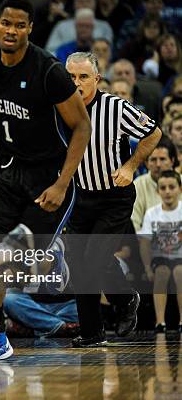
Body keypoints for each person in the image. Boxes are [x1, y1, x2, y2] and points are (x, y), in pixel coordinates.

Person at [0, 0, 91, 364]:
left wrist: (61, 184)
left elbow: (82, 127)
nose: (12, 30)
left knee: (17, 261)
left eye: (20, 25)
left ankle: (109, 293)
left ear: (30, 29)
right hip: (7, 170)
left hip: (47, 177)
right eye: (6, 23)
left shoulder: (48, 70)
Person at [65, 52, 162, 346]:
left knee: (94, 258)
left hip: (113, 197)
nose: (76, 83)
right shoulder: (60, 108)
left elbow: (153, 133)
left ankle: (126, 298)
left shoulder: (115, 107)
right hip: (79, 196)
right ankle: (92, 332)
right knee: (79, 264)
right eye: (71, 77)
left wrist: (131, 167)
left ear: (97, 79)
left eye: (83, 77)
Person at [139, 170, 182, 333]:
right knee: (162, 273)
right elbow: (145, 243)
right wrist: (148, 268)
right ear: (158, 191)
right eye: (163, 188)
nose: (168, 191)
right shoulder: (152, 213)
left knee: (180, 272)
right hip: (160, 258)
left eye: (172, 187)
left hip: (180, 257)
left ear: (180, 189)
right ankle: (160, 322)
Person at [131, 138, 180, 231]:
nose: (158, 164)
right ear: (146, 163)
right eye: (153, 160)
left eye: (162, 159)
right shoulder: (138, 185)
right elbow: (134, 224)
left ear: (172, 160)